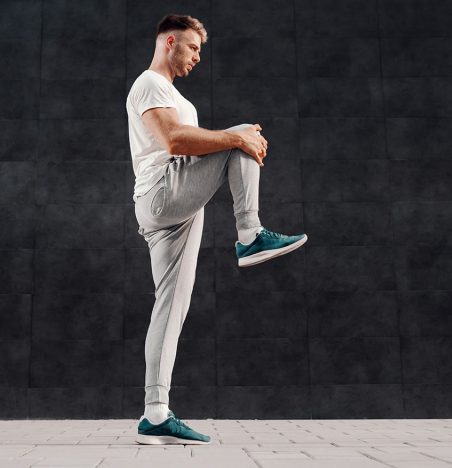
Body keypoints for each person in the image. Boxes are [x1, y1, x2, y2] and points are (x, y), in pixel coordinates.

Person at [126, 14, 308, 445]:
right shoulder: (149, 83)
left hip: (178, 208)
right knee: (240, 136)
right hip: (161, 194)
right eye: (191, 48)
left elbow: (185, 141)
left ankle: (155, 413)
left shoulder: (175, 95)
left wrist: (228, 139)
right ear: (169, 41)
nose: (196, 57)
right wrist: (234, 137)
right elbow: (174, 143)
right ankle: (249, 236)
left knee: (170, 310)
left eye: (200, 51)